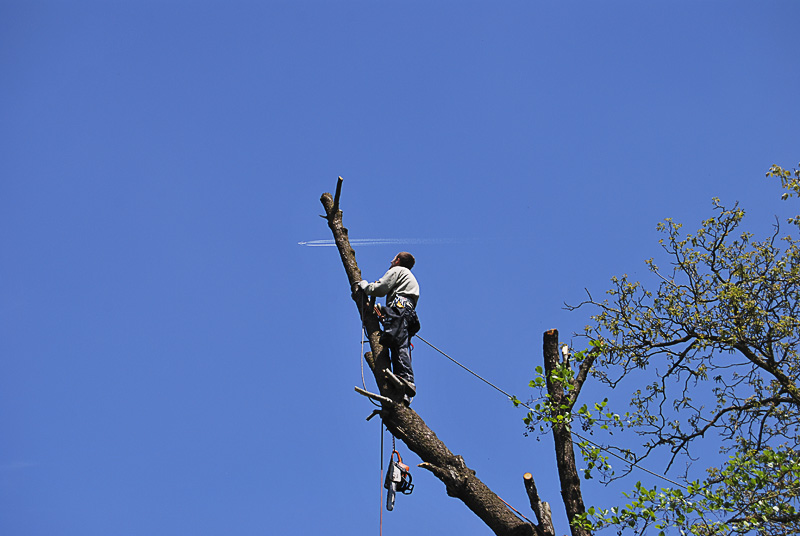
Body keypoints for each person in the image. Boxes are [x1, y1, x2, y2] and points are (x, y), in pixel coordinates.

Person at [358, 252, 420, 403]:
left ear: (398, 260)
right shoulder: (408, 277)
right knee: (398, 346)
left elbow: (380, 289)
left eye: (393, 258)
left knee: (398, 345)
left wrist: (365, 286)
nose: (391, 261)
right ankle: (403, 391)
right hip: (405, 313)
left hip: (400, 310)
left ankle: (406, 380)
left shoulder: (398, 270)